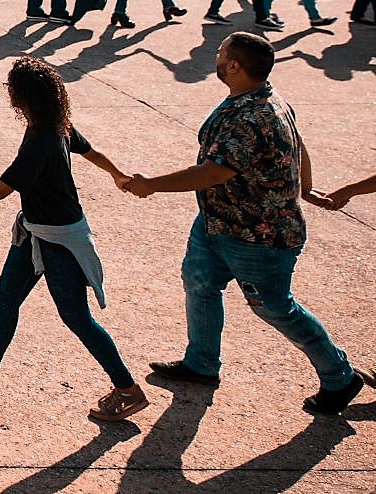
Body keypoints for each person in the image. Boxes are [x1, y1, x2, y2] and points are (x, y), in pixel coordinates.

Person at [121, 32, 373, 415]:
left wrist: (150, 186)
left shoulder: (251, 116)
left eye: (221, 53)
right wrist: (306, 188)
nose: (216, 57)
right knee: (200, 282)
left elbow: (214, 172)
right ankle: (201, 364)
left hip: (258, 235)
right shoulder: (265, 98)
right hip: (219, 223)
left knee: (275, 307)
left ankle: (340, 376)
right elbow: (298, 143)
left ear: (235, 66)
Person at [0, 57, 148, 422]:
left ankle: (128, 390)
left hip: (60, 240)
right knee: (6, 296)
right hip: (34, 230)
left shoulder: (42, 138)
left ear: (21, 97)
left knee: (76, 317)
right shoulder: (55, 124)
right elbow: (92, 153)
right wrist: (117, 175)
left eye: (11, 88)